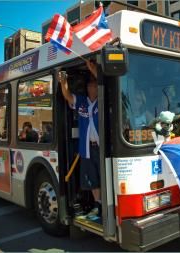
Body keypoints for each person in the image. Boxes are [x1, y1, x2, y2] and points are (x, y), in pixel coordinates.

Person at [58, 60, 102, 218]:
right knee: (92, 179)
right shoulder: (82, 101)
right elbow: (68, 96)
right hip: (87, 148)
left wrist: (96, 71)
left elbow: (107, 85)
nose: (92, 87)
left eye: (95, 85)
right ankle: (98, 206)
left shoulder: (102, 101)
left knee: (103, 177)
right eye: (90, 85)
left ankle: (104, 207)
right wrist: (63, 83)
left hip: (101, 148)